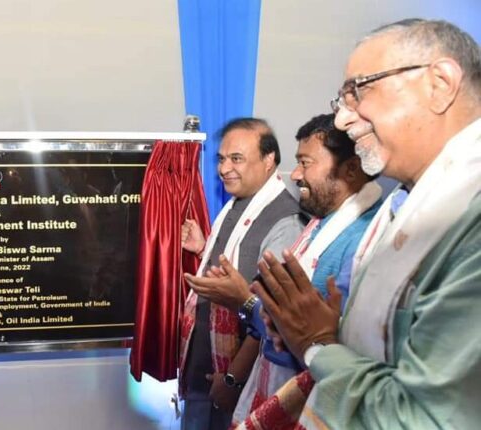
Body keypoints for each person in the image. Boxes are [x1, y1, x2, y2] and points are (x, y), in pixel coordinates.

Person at [253, 19, 481, 429]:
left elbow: (422, 418)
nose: (342, 120)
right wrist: (331, 328)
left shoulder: (470, 216)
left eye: (359, 91)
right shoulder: (404, 200)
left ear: (440, 84)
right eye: (342, 100)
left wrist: (318, 346)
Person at [230, 114, 382, 428]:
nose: (296, 174)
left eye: (305, 162)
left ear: (351, 169)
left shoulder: (364, 239)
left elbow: (315, 340)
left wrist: (245, 301)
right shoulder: (321, 222)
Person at [179, 118, 304, 430]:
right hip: (204, 373)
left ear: (268, 160)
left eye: (236, 158)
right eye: (221, 159)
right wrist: (203, 249)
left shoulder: (286, 221)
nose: (224, 169)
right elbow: (240, 267)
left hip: (236, 382)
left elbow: (270, 316)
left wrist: (233, 379)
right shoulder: (237, 205)